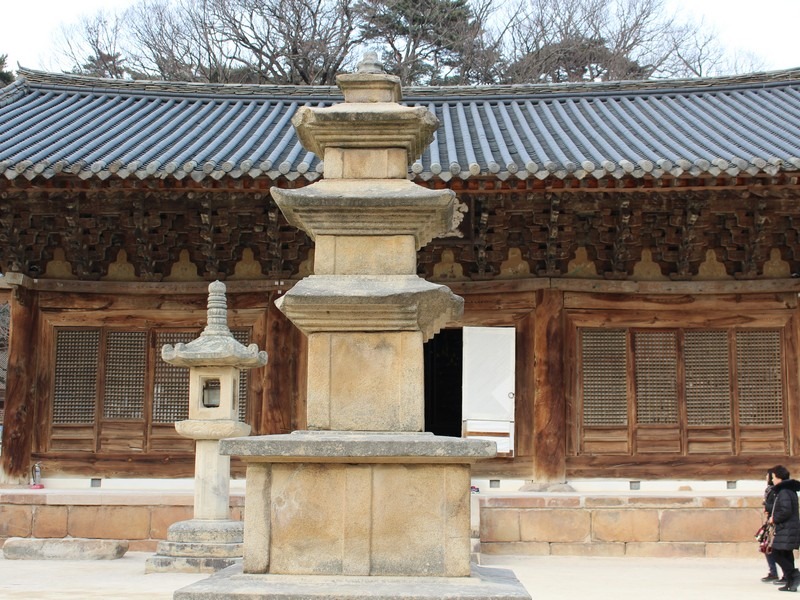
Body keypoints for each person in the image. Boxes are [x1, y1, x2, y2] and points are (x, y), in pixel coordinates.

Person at [769, 465, 800, 592]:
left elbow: (785, 511)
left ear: (779, 477)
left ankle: (794, 574)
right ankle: (790, 582)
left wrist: (774, 519)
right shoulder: (789, 490)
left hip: (786, 527)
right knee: (786, 554)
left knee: (776, 553)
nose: (772, 480)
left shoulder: (784, 492)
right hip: (788, 527)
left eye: (773, 477)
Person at [763, 470, 782, 582]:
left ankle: (783, 574)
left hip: (774, 522)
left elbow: (777, 507)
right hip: (770, 522)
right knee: (767, 548)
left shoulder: (776, 491)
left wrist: (766, 506)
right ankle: (773, 571)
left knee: (772, 549)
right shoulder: (769, 490)